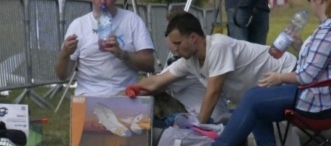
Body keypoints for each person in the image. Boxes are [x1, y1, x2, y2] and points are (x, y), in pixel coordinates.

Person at [183, 0, 331, 146]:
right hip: (329, 98)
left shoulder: (329, 32)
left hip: (321, 102)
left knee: (253, 97)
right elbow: (321, 65)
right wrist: (299, 44)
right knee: (258, 94)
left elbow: (306, 76)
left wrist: (280, 77)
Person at [127, 12, 297, 125]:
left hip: (289, 76)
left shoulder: (218, 46)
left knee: (248, 111)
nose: (175, 49)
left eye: (178, 44)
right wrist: (128, 92)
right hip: (261, 95)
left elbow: (213, 91)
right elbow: (157, 81)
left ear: (193, 38)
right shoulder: (190, 60)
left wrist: (199, 128)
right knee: (249, 109)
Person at [55, 0, 155, 97]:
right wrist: (65, 53)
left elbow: (149, 64)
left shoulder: (132, 21)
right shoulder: (79, 25)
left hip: (125, 95)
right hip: (87, 95)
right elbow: (62, 75)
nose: (103, 1)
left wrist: (121, 54)